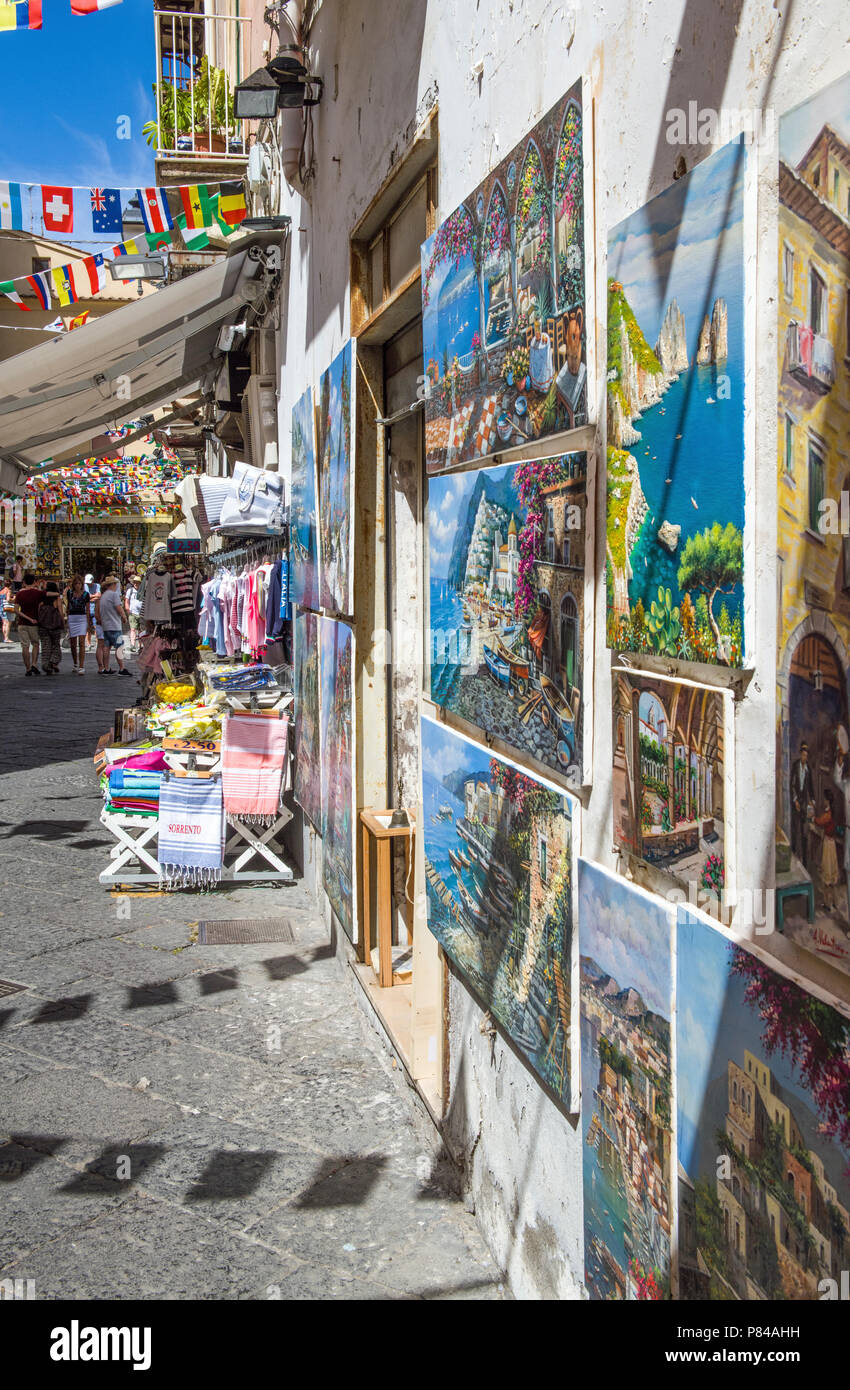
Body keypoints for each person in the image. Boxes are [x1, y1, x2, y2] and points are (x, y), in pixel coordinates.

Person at [95, 575, 131, 677]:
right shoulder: (113, 595)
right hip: (114, 625)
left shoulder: (104, 596)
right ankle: (121, 668)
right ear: (114, 585)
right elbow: (118, 607)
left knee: (107, 647)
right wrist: (124, 616)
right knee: (119, 647)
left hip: (106, 626)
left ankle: (106, 668)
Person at [812, 788, 840, 914]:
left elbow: (820, 821)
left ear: (827, 801)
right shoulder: (832, 813)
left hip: (828, 845)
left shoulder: (828, 815)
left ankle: (828, 904)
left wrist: (812, 818)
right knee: (832, 873)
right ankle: (834, 902)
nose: (823, 801)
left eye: (824, 799)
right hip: (832, 843)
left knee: (827, 872)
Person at [13, 570, 44, 675]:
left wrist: (25, 617)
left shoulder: (19, 594)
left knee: (25, 646)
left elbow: (16, 610)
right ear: (34, 582)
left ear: (24, 582)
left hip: (22, 624)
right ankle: (34, 664)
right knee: (35, 644)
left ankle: (27, 669)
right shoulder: (38, 593)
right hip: (34, 623)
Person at [790, 741, 814, 867]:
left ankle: (804, 861)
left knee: (804, 833)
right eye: (803, 755)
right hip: (796, 804)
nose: (805, 758)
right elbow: (792, 785)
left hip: (804, 805)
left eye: (806, 756)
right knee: (795, 831)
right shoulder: (795, 766)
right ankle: (793, 857)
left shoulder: (808, 769)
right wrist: (795, 800)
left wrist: (812, 801)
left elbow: (811, 787)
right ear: (800, 755)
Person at [64, 573, 91, 674]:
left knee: (81, 643)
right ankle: (75, 663)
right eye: (76, 583)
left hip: (82, 618)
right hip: (72, 618)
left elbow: (87, 609)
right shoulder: (69, 593)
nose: (77, 585)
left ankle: (81, 666)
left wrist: (88, 622)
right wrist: (66, 620)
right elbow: (67, 607)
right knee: (73, 643)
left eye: (79, 583)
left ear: (82, 584)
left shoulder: (85, 594)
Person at [38, 582, 64, 674]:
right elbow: (60, 612)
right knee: (56, 644)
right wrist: (62, 622)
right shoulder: (57, 598)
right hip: (54, 625)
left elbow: (38, 610)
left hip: (43, 625)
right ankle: (53, 661)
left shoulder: (42, 598)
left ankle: (45, 664)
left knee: (45, 645)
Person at [125, 573, 142, 653]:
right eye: (134, 582)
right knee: (133, 629)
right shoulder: (130, 590)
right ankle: (132, 644)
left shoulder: (143, 591)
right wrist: (127, 609)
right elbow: (127, 600)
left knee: (141, 630)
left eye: (137, 582)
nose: (136, 584)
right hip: (133, 613)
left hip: (141, 613)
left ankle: (140, 645)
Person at [85, 573, 100, 654]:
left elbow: (99, 595)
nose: (88, 584)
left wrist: (90, 597)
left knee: (96, 627)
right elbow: (85, 597)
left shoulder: (97, 586)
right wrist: (94, 597)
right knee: (88, 628)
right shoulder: (84, 586)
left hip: (95, 609)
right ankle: (88, 643)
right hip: (87, 610)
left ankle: (97, 643)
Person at [0, 576, 13, 644]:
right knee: (8, 623)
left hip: (1, 608)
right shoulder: (8, 590)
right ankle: (6, 638)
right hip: (6, 608)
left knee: (4, 623)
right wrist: (13, 599)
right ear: (10, 584)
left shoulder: (1, 591)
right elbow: (8, 599)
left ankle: (5, 637)